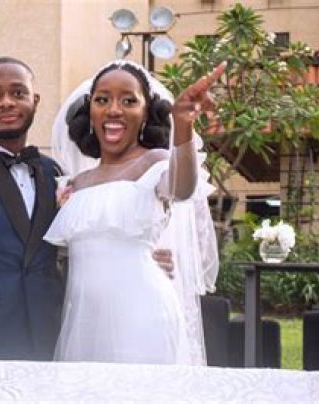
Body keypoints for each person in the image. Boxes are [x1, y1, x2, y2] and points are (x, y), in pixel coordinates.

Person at [0, 57, 174, 360]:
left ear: (35, 101)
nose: (6, 102)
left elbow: (83, 239)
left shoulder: (54, 174)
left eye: (18, 93)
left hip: (52, 337)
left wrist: (141, 259)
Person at [44, 60, 224, 364]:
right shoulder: (76, 184)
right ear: (90, 112)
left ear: (145, 113)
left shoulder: (155, 162)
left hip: (142, 316)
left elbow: (181, 188)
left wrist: (183, 124)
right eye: (102, 100)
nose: (114, 110)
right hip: (84, 321)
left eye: (129, 101)